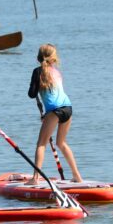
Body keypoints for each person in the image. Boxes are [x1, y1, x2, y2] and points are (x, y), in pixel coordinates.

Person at [27, 43, 83, 184]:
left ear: (38, 58)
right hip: (68, 108)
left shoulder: (37, 71)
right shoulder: (57, 72)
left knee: (41, 144)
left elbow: (31, 94)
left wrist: (35, 84)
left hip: (54, 110)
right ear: (53, 58)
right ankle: (77, 176)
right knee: (61, 142)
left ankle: (35, 178)